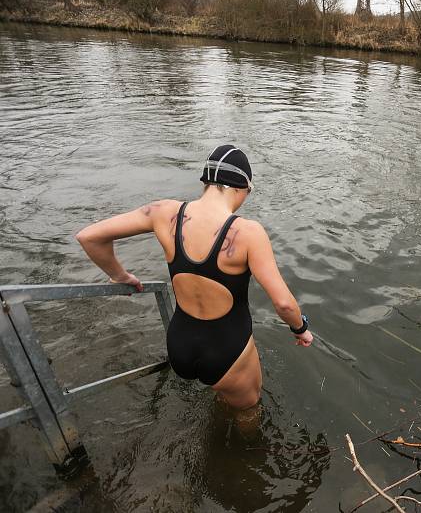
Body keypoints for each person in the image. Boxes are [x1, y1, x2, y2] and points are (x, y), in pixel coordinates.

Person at [75, 145, 314, 411]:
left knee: (220, 389)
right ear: (240, 187)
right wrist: (300, 329)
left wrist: (120, 275)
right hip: (228, 352)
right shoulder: (248, 232)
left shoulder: (163, 212)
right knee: (248, 415)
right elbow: (284, 304)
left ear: (206, 182)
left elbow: (89, 237)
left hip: (180, 345)